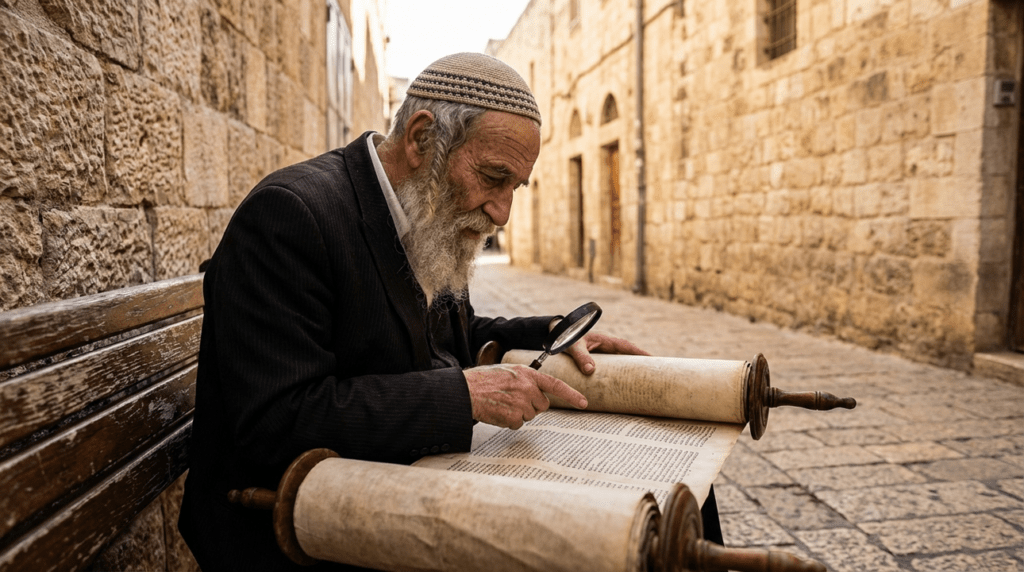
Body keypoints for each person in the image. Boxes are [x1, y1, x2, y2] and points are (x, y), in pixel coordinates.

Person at [178, 52, 651, 571]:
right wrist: (464, 394)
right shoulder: (292, 215)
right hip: (291, 526)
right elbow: (279, 420)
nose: (502, 213)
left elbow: (448, 332)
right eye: (493, 177)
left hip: (390, 483)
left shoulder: (427, 216)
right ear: (422, 138)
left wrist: (550, 332)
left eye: (514, 187)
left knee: (645, 503)